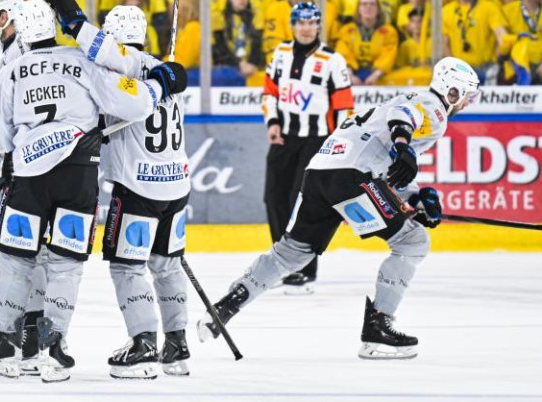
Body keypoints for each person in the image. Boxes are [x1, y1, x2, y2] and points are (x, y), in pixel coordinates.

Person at [199, 57, 481, 360]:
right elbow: (403, 116)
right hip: (350, 176)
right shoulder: (434, 108)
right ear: (451, 91)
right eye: (466, 95)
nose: (467, 103)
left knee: (291, 252)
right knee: (412, 242)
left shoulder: (407, 109)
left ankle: (228, 304)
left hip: (319, 173)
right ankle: (378, 329)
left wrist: (416, 197)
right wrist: (403, 145)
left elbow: (386, 171)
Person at [0, 0, 186, 383]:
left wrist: (23, 144)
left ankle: (8, 344)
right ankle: (54, 349)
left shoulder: (11, 71)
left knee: (17, 258)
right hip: (79, 177)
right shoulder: (83, 62)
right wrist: (159, 85)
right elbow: (134, 102)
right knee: (66, 263)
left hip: (30, 178)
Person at [49, 0, 193, 378]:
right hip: (177, 186)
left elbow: (105, 54)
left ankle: (144, 343)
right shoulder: (164, 70)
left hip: (138, 188)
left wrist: (76, 23)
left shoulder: (122, 70)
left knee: (128, 269)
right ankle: (176, 345)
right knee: (166, 265)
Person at [262, 1, 353, 293]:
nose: (305, 27)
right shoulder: (280, 53)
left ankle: (303, 268)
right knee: (273, 199)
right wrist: (272, 122)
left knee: (299, 202)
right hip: (284, 137)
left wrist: (337, 142)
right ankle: (281, 263)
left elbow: (344, 106)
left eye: (311, 22)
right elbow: (269, 92)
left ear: (318, 25)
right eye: (300, 22)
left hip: (318, 140)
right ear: (293, 24)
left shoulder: (332, 60)